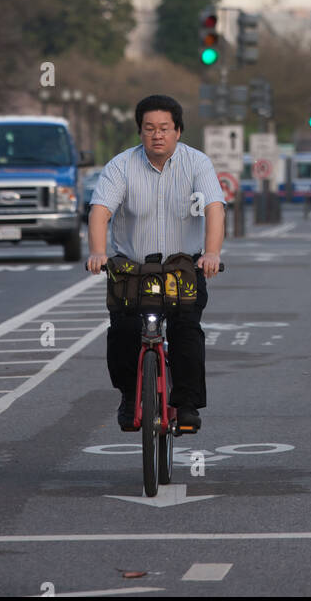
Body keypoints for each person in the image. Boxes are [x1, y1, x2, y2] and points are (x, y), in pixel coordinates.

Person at [87, 94, 225, 434]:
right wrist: (97, 252)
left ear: (178, 130)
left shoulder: (197, 164)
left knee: (186, 331)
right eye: (149, 128)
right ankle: (129, 394)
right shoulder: (120, 166)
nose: (157, 135)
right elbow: (100, 210)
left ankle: (187, 404)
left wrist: (211, 254)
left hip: (184, 270)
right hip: (132, 270)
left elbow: (214, 208)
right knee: (122, 332)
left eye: (165, 128)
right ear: (140, 132)